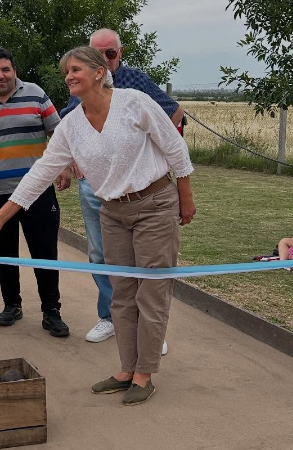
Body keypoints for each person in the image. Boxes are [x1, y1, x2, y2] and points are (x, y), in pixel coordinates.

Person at [0, 46, 195, 405]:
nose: (68, 76)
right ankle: (127, 369)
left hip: (155, 204)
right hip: (112, 212)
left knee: (151, 292)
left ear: (99, 72)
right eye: (66, 72)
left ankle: (145, 373)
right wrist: (0, 218)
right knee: (122, 293)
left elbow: (175, 149)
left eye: (76, 69)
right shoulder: (71, 126)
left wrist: (185, 197)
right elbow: (41, 173)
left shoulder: (134, 103)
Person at [57, 28, 184, 345]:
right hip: (96, 190)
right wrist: (71, 159)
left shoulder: (136, 83)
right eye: (96, 54)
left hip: (140, 193)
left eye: (109, 53)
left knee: (145, 262)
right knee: (100, 256)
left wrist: (154, 147)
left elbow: (175, 112)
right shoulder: (82, 88)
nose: (104, 59)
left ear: (119, 53)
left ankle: (149, 328)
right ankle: (110, 317)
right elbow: (66, 127)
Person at [0, 47, 69, 337]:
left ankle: (51, 310)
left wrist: (64, 167)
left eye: (5, 69)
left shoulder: (35, 93)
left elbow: (58, 132)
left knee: (44, 252)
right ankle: (12, 305)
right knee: (4, 254)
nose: (0, 75)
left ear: (14, 71)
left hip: (37, 192)